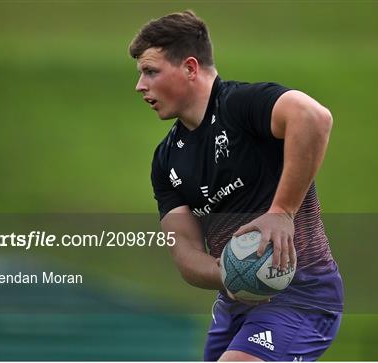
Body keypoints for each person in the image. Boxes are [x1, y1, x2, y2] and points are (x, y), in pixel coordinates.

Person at [129, 10, 343, 362]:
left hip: (301, 295)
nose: (140, 85)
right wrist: (231, 273)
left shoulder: (241, 105)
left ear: (190, 68)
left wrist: (281, 213)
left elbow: (314, 118)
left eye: (151, 71)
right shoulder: (166, 160)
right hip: (234, 307)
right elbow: (184, 250)